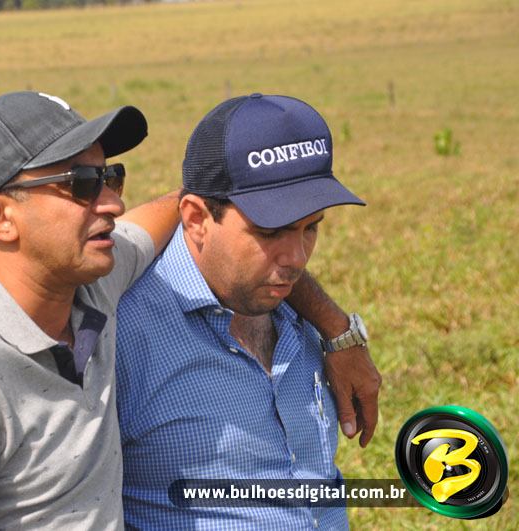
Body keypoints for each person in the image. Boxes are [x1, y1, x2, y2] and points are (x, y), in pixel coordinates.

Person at [0, 91, 379, 530]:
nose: (113, 204)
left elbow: (210, 218)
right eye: (81, 184)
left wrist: (338, 330)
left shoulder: (94, 284)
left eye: (110, 177)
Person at [116, 93, 378, 529]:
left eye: (311, 227)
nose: (297, 258)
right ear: (196, 218)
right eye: (270, 231)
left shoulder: (294, 311)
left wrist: (340, 333)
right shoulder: (120, 335)